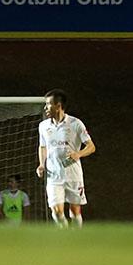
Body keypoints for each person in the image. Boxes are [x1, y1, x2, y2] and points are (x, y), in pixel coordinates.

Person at [36, 89, 95, 228]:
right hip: (53, 175)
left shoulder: (75, 123)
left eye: (48, 104)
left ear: (58, 105)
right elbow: (42, 146)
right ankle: (65, 235)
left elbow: (91, 147)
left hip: (73, 175)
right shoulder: (43, 126)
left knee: (75, 211)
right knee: (56, 211)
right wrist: (41, 164)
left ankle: (77, 238)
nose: (45, 108)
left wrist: (78, 154)